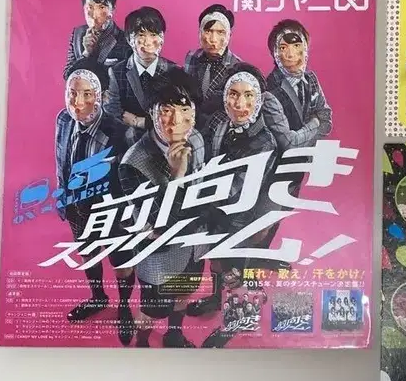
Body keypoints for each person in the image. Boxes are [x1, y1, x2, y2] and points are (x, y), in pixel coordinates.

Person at [189, 65, 280, 347]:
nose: (240, 104)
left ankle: (234, 325)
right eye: (234, 94)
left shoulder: (265, 141)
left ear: (259, 100)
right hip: (215, 213)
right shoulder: (221, 124)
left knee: (237, 274)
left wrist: (194, 193)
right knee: (217, 264)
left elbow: (237, 188)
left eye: (248, 96)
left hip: (242, 219)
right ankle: (215, 299)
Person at [118, 69, 206, 348]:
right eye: (166, 110)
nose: (176, 121)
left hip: (193, 244)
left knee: (184, 294)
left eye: (184, 110)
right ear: (152, 113)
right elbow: (160, 223)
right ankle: (142, 342)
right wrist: (177, 176)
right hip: (159, 253)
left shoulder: (197, 140)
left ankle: (174, 334)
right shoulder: (132, 162)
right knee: (151, 311)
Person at [54, 61, 135, 344]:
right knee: (88, 254)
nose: (78, 102)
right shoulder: (63, 120)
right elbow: (60, 157)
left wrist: (126, 216)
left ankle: (124, 306)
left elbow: (128, 178)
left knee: (121, 262)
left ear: (99, 96)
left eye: (87, 94)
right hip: (76, 206)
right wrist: (62, 196)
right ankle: (98, 297)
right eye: (73, 93)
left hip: (112, 210)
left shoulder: (118, 131)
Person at [104, 7, 175, 145]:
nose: (148, 42)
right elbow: (112, 110)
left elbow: (175, 114)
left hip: (164, 142)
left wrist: (140, 122)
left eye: (154, 35)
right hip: (128, 142)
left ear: (162, 38)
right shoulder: (117, 72)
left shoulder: (174, 71)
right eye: (141, 35)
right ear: (129, 39)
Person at [259, 18, 332, 150]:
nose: (291, 54)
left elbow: (327, 122)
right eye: (283, 48)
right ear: (274, 53)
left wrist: (302, 135)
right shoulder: (268, 90)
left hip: (309, 159)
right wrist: (316, 121)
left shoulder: (311, 79)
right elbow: (289, 144)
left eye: (297, 46)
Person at [184, 4, 243, 123]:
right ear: (200, 32)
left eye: (220, 32)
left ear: (229, 35)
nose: (213, 39)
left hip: (220, 127)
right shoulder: (191, 57)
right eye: (208, 31)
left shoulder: (237, 67)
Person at [64, 0, 131, 78]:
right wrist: (86, 54)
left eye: (101, 7)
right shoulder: (77, 35)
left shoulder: (126, 40)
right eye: (90, 7)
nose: (94, 15)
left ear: (113, 9)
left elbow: (127, 80)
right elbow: (68, 77)